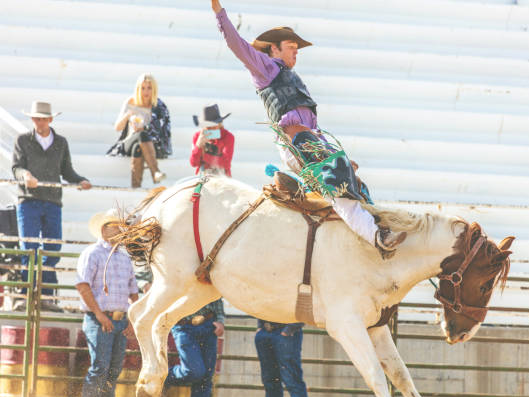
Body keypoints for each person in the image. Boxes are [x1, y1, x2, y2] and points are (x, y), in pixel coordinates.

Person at [211, 0, 407, 258]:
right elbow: (237, 45)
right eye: (292, 47)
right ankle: (377, 239)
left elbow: (313, 128)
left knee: (357, 185)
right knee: (341, 191)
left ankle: (376, 231)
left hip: (310, 140)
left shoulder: (290, 77)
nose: (296, 52)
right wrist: (219, 13)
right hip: (297, 142)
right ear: (274, 49)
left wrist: (340, 158)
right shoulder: (265, 68)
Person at [11, 101, 92, 312]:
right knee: (28, 248)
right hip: (28, 200)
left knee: (53, 248)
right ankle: (28, 295)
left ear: (50, 119)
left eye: (43, 118)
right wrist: (25, 176)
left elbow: (67, 171)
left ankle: (45, 295)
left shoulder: (61, 143)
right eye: (37, 118)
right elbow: (17, 167)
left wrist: (80, 181)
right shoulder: (22, 140)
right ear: (32, 119)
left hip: (52, 201)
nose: (40, 122)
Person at [134, 267, 225, 397]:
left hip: (208, 323)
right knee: (194, 371)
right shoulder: (172, 261)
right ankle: (163, 378)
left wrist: (220, 319)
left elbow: (216, 291)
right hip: (183, 325)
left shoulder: (205, 261)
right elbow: (136, 277)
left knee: (206, 376)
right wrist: (145, 285)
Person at [76, 209, 139, 397]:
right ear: (105, 229)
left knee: (112, 370)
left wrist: (132, 319)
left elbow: (133, 291)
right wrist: (99, 314)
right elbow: (82, 285)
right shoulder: (92, 253)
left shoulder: (124, 258)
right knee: (101, 368)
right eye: (116, 226)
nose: (120, 229)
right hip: (99, 319)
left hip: (118, 319)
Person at [110, 73, 171, 188]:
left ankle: (135, 187)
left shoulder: (159, 106)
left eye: (149, 88)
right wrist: (128, 115)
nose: (146, 91)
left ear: (154, 89)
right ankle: (155, 172)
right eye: (142, 88)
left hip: (153, 145)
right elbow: (117, 127)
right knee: (141, 135)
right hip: (129, 141)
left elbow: (163, 131)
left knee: (138, 146)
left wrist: (146, 128)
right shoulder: (131, 101)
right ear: (138, 89)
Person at [255, 320, 308, 397]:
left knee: (292, 379)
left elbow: (304, 308)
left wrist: (290, 328)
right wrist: (260, 326)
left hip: (286, 331)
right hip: (266, 331)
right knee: (270, 380)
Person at [189, 104, 235, 177]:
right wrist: (198, 146)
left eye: (214, 125)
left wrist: (204, 156)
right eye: (208, 126)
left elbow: (226, 163)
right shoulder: (198, 136)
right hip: (202, 175)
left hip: (222, 176)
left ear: (220, 123)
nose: (212, 128)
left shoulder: (228, 137)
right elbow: (193, 163)